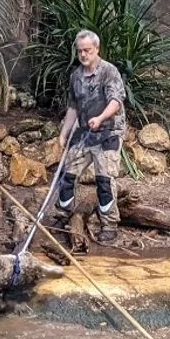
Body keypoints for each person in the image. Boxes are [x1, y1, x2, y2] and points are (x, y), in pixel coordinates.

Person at [49, 29, 127, 244]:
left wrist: (101, 117)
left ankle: (109, 225)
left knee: (104, 180)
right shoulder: (76, 76)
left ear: (97, 49)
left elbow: (116, 101)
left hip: (108, 132)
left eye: (87, 51)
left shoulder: (109, 72)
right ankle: (63, 215)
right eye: (80, 51)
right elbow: (73, 107)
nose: (83, 55)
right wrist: (63, 134)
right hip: (84, 133)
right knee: (67, 173)